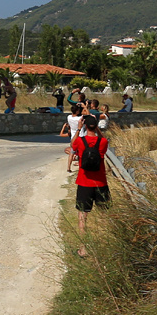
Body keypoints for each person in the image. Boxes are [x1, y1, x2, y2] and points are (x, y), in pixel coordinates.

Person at [69, 113, 110, 256]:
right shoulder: (103, 142)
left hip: (84, 182)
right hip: (100, 183)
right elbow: (103, 139)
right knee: (105, 215)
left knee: (82, 216)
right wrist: (97, 128)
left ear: (85, 125)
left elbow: (72, 145)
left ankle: (83, 248)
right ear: (96, 126)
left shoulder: (80, 141)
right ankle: (107, 247)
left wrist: (79, 129)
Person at [60, 103, 84, 172]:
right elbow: (86, 115)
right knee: (81, 152)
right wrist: (84, 106)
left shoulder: (69, 117)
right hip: (80, 136)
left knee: (71, 152)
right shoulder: (80, 118)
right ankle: (80, 165)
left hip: (73, 138)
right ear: (77, 111)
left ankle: (68, 167)